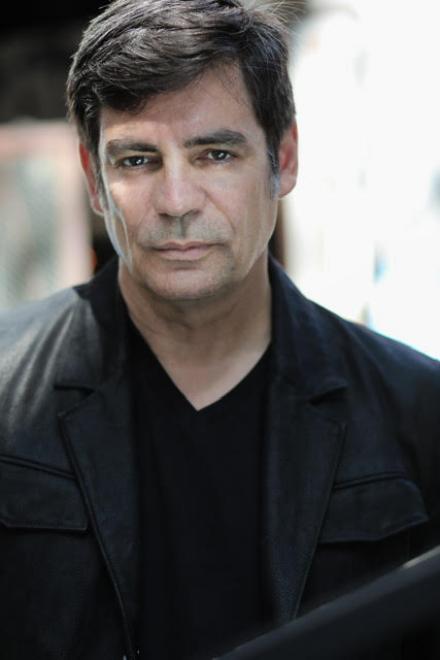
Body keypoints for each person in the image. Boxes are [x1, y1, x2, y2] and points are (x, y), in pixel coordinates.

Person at [0, 1, 439, 659]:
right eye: (138, 161)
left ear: (284, 158)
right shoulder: (6, 394)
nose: (177, 202)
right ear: (94, 179)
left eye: (215, 154)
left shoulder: (418, 412)